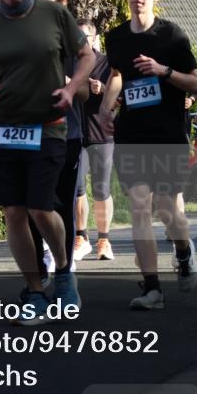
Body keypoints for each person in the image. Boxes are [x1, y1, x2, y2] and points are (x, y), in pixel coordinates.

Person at [0, 0, 94, 325]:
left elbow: (86, 55)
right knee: (14, 212)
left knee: (40, 206)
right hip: (2, 128)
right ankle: (35, 290)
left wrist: (71, 88)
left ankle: (65, 275)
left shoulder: (54, 14)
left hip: (48, 126)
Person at [98, 0, 197, 311]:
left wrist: (163, 70)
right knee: (140, 205)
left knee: (166, 207)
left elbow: (195, 83)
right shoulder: (116, 38)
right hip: (132, 133)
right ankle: (154, 289)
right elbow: (116, 75)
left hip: (168, 133)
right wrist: (106, 108)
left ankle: (184, 250)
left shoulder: (172, 36)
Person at [26, 0, 88, 275]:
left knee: (62, 201)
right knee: (32, 203)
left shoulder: (71, 35)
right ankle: (38, 268)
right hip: (26, 131)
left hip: (66, 131)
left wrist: (68, 82)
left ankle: (65, 264)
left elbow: (88, 91)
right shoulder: (15, 33)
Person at [75, 19, 116, 261]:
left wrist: (103, 88)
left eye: (84, 37)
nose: (80, 42)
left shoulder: (107, 63)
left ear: (93, 39)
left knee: (101, 189)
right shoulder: (69, 63)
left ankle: (104, 240)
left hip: (102, 133)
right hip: (75, 133)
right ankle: (81, 237)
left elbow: (120, 97)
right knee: (77, 187)